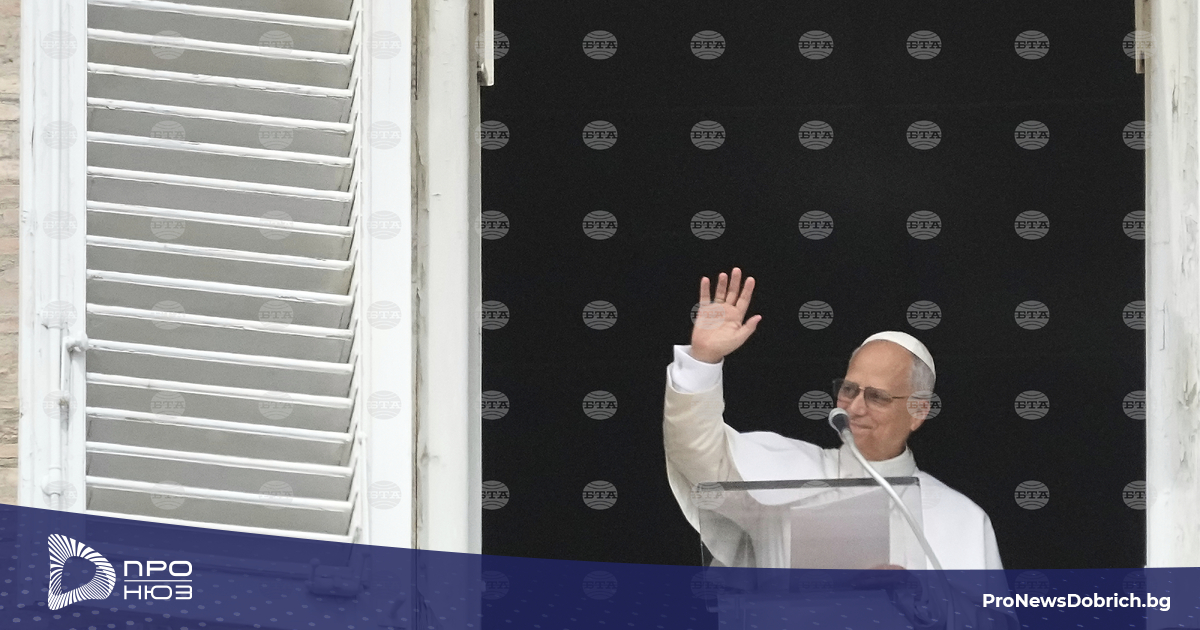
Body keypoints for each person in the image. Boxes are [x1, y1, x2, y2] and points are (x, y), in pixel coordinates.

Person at [663, 268, 1018, 627]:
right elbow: (696, 452)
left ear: (918, 411)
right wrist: (702, 361)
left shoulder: (961, 517)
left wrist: (927, 600)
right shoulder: (784, 478)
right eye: (849, 390)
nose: (855, 408)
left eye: (876, 396)